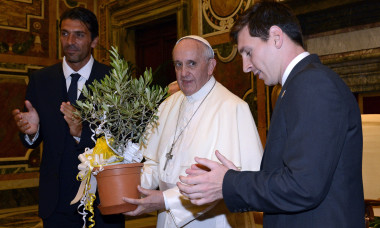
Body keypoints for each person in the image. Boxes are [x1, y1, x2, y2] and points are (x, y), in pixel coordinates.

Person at [177, 2, 365, 227]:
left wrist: (229, 183)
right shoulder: (297, 86)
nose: (246, 66)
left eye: (248, 52)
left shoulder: (313, 84)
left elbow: (304, 186)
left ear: (276, 37)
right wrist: (236, 178)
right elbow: (292, 176)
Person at [122, 35, 263, 227]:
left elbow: (229, 183)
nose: (183, 72)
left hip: (213, 220)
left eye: (191, 64)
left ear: (211, 66)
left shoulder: (233, 108)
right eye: (178, 64)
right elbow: (154, 163)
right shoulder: (167, 105)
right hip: (166, 218)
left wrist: (165, 199)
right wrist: (131, 191)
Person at [11, 7, 124, 227]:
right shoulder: (40, 80)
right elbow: (32, 138)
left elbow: (125, 140)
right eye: (64, 33)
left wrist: (82, 133)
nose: (70, 41)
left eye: (79, 34)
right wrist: (33, 133)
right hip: (55, 204)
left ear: (94, 41)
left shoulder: (114, 80)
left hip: (103, 202)